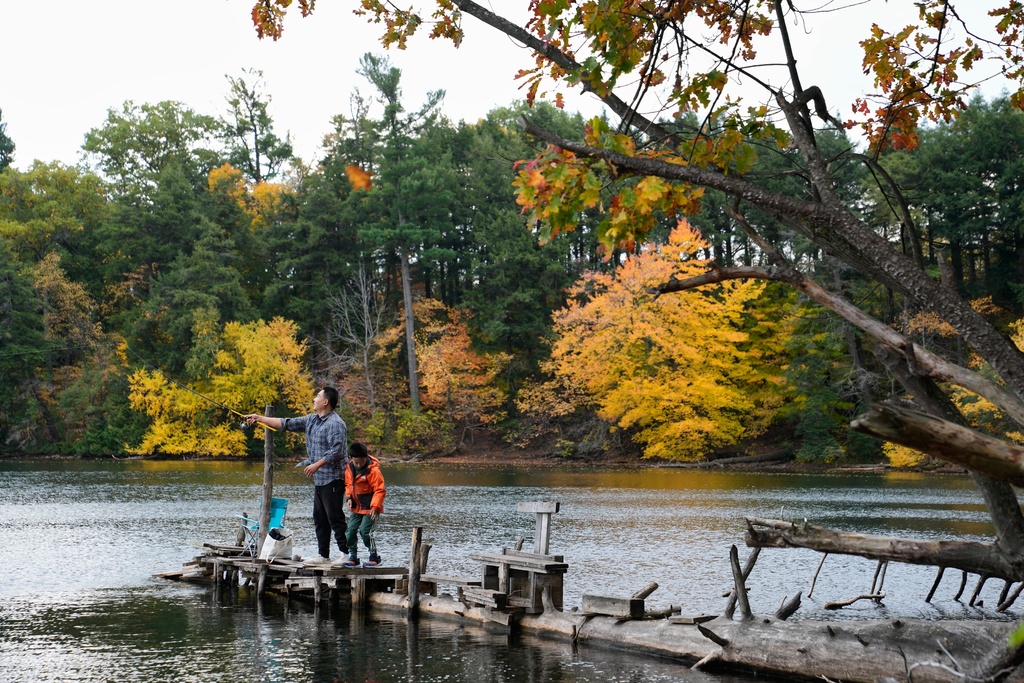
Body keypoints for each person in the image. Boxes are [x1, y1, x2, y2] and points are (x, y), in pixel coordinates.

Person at [245, 387, 349, 564]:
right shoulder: (312, 420)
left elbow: (337, 450)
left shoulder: (335, 423)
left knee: (335, 518)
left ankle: (346, 554)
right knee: (319, 518)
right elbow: (286, 423)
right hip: (320, 479)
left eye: (317, 396)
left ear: (326, 402)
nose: (314, 398)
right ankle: (323, 556)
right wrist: (259, 418)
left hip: (334, 477)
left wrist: (316, 464)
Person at [340, 442, 385, 567]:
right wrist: (348, 497)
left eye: (361, 462)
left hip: (371, 508)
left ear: (366, 457)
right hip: (356, 507)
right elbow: (349, 485)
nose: (358, 465)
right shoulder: (349, 469)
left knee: (365, 531)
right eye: (356, 462)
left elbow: (380, 490)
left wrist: (375, 507)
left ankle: (374, 556)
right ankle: (353, 556)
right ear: (351, 459)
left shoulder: (373, 471)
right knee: (350, 531)